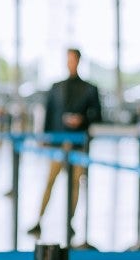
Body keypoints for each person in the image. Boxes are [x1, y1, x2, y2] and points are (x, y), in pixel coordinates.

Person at [27, 49, 101, 236]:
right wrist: (45, 138)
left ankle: (70, 222)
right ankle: (39, 219)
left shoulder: (90, 89)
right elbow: (49, 114)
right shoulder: (56, 87)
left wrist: (82, 120)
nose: (71, 63)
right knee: (50, 181)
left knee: (75, 184)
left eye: (73, 60)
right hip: (58, 144)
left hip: (78, 145)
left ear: (78, 61)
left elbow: (98, 116)